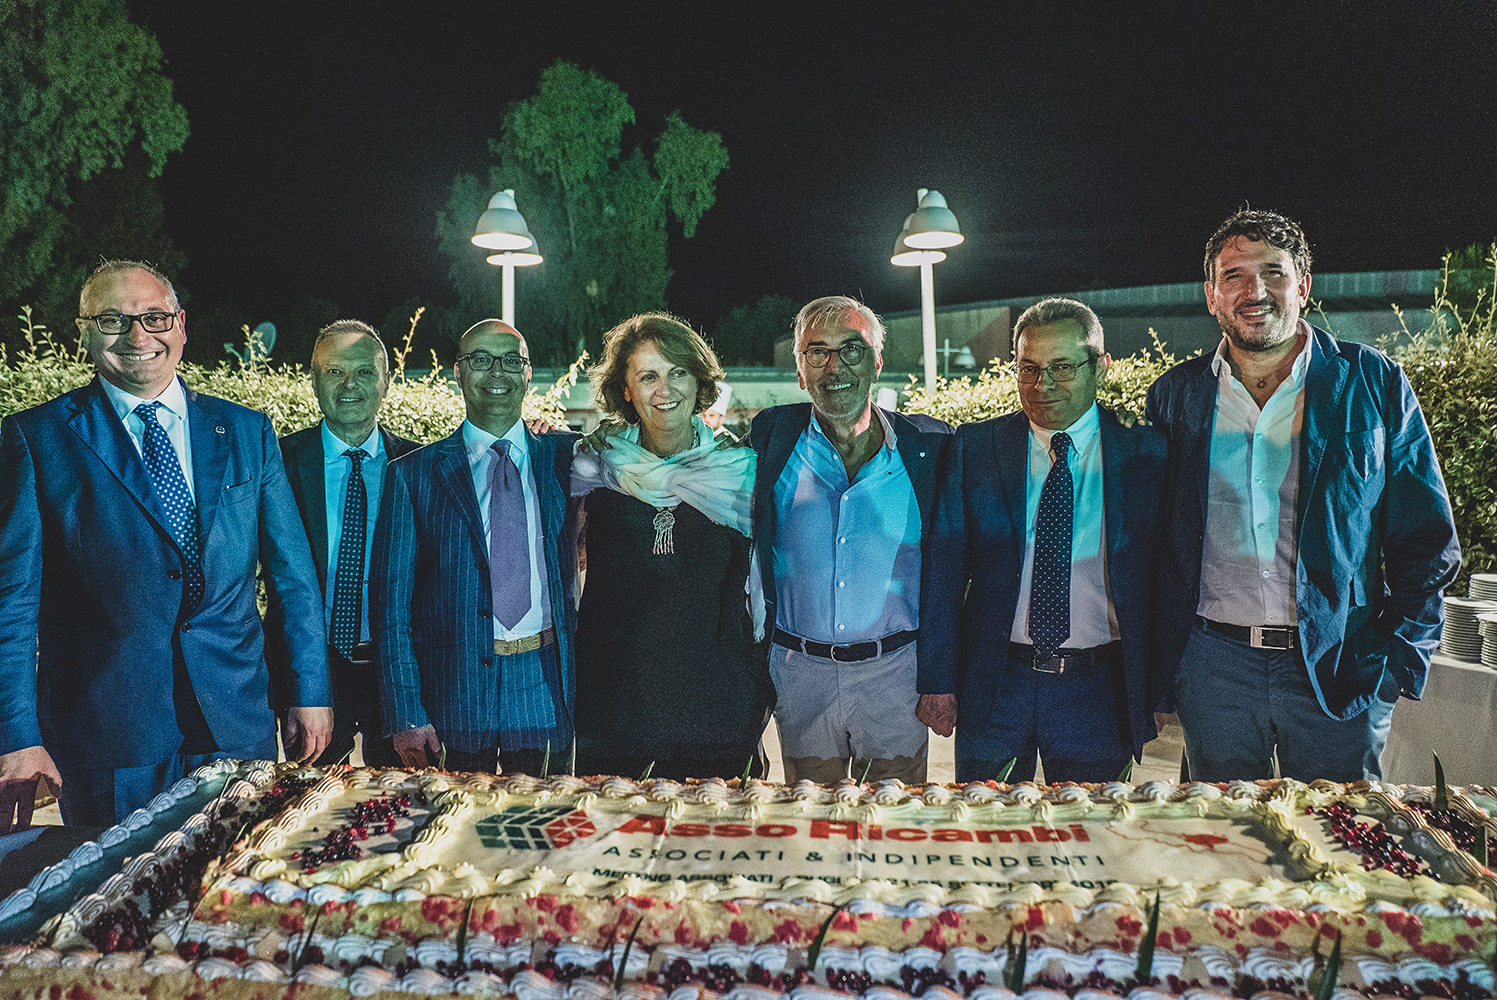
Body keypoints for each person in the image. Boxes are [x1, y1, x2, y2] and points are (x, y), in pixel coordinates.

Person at [0, 260, 329, 833]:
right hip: (107, 736)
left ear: (180, 325)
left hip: (235, 723)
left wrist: (310, 691)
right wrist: (16, 735)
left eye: (154, 317)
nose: (138, 335)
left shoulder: (246, 430)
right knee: (116, 886)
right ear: (83, 332)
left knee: (237, 876)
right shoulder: (35, 438)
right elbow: (12, 601)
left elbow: (293, 579)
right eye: (113, 320)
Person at [1146, 209, 1460, 782]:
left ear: (1304, 286)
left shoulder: (1374, 382)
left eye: (1274, 272)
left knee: (1339, 828)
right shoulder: (1175, 396)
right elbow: (1156, 540)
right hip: (1213, 670)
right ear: (1212, 296)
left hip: (1341, 665)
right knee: (1220, 829)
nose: (1255, 292)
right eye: (1234, 276)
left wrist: (1397, 660)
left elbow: (1427, 539)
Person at [919, 298, 1168, 783]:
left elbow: (1166, 580)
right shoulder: (975, 448)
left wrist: (1158, 691)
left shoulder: (1148, 453)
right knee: (986, 822)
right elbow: (944, 573)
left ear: (1101, 366)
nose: (1042, 384)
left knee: (1089, 826)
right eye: (1029, 368)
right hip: (996, 685)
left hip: (1100, 690)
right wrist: (937, 681)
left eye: (1062, 367)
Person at [748, 296, 951, 783]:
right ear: (800, 371)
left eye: (851, 349)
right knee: (814, 820)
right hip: (800, 676)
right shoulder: (771, 440)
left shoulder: (930, 449)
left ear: (877, 361)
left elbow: (952, 573)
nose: (834, 367)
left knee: (894, 820)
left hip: (895, 678)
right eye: (817, 352)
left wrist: (941, 677)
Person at [570, 313, 771, 780]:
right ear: (625, 389)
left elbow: (767, 589)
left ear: (699, 380)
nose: (665, 389)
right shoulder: (593, 468)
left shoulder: (741, 472)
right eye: (648, 376)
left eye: (678, 372)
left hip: (719, 711)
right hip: (613, 711)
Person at [372, 320, 577, 776]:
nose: (497, 372)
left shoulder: (567, 458)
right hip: (453, 695)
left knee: (543, 819)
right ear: (458, 372)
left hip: (543, 687)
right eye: (481, 359)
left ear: (528, 374)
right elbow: (391, 609)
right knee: (452, 819)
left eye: (511, 361)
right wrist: (406, 713)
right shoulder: (412, 474)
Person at [266, 320, 420, 767]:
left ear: (386, 381)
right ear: (314, 381)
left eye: (364, 372)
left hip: (398, 671)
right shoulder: (278, 462)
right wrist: (298, 688)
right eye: (334, 372)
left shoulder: (419, 464)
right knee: (310, 800)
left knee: (401, 800)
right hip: (312, 672)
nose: (350, 385)